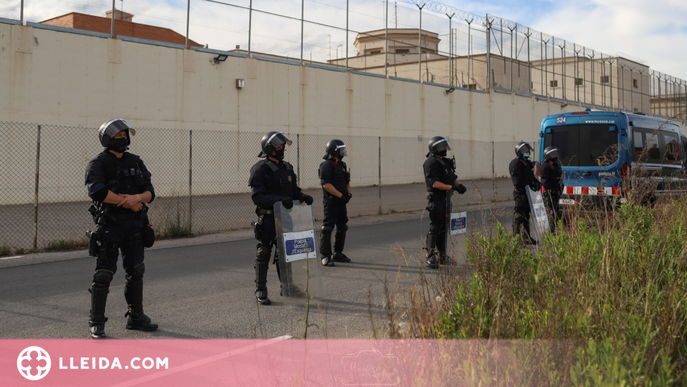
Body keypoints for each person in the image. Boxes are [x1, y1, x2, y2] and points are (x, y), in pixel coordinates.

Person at [84, 118, 158, 339]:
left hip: (135, 224)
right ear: (107, 139)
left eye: (125, 135)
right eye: (118, 135)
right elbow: (96, 191)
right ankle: (96, 321)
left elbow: (150, 192)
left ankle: (136, 316)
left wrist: (137, 198)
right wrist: (126, 201)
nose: (123, 138)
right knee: (104, 274)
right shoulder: (97, 163)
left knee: (136, 271)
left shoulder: (136, 161)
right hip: (110, 225)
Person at [249, 131, 314, 305]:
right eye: (278, 145)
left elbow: (293, 192)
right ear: (269, 148)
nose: (282, 148)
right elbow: (257, 197)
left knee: (286, 253)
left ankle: (287, 286)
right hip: (269, 218)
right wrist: (278, 200)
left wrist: (302, 197)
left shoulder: (288, 168)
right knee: (264, 252)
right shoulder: (260, 169)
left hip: (285, 218)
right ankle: (260, 289)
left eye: (283, 145)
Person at [423, 136, 466, 269]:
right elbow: (435, 183)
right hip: (436, 200)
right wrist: (451, 187)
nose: (444, 149)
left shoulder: (445, 162)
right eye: (441, 147)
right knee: (435, 227)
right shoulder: (431, 163)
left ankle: (442, 255)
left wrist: (459, 186)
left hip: (447, 200)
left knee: (443, 228)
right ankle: (430, 255)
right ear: (434, 148)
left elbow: (452, 178)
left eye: (444, 146)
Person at [318, 139, 352, 267]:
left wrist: (348, 194)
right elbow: (326, 185)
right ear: (334, 150)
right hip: (332, 203)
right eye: (341, 149)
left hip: (341, 202)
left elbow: (346, 181)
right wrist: (340, 196)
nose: (343, 151)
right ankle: (325, 256)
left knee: (342, 227)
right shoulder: (326, 165)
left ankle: (337, 253)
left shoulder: (342, 165)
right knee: (327, 228)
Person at [509, 141, 540, 245]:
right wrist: (530, 183)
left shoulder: (526, 163)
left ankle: (526, 238)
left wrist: (536, 183)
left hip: (528, 194)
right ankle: (516, 239)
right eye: (525, 151)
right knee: (519, 216)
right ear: (520, 152)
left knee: (526, 216)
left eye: (528, 151)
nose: (527, 152)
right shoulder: (516, 163)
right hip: (521, 194)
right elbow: (517, 181)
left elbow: (531, 177)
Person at [540, 146, 563, 233]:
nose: (555, 156)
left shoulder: (556, 165)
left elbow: (559, 177)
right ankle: (550, 231)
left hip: (556, 192)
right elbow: (544, 181)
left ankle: (555, 230)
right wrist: (550, 190)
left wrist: (560, 187)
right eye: (553, 154)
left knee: (557, 212)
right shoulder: (545, 166)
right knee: (551, 213)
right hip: (549, 194)